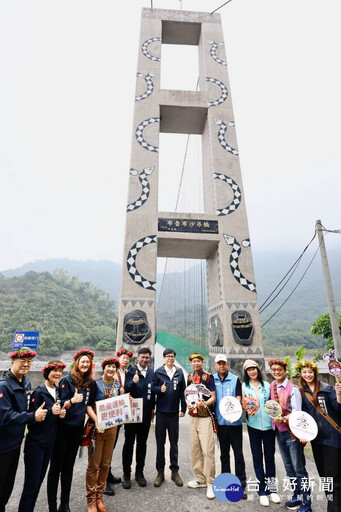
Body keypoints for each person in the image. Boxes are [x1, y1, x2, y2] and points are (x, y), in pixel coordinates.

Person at [47, 349, 96, 512]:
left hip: (77, 430)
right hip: (61, 430)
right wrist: (71, 401)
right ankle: (52, 506)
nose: (85, 364)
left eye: (87, 362)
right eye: (82, 361)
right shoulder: (67, 380)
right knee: (56, 468)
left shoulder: (90, 383)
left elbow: (90, 405)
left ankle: (65, 503)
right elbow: (58, 405)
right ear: (76, 363)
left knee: (68, 467)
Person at [0, 347, 47, 512]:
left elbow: (26, 407)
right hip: (3, 446)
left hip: (16, 443)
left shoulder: (25, 381)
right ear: (12, 361)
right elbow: (6, 417)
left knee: (7, 488)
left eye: (29, 361)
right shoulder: (4, 386)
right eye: (22, 361)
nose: (26, 364)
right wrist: (33, 416)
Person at [18, 360, 67, 512]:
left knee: (38, 483)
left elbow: (53, 415)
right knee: (31, 486)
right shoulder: (39, 392)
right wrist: (51, 412)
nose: (57, 373)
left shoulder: (57, 390)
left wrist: (60, 414)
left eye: (60, 371)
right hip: (36, 445)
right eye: (54, 370)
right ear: (47, 372)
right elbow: (33, 420)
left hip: (49, 444)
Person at [295, 360, 341, 512]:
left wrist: (339, 396)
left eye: (310, 372)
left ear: (314, 373)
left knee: (334, 478)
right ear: (300, 374)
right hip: (316, 440)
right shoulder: (302, 393)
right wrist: (303, 434)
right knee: (325, 478)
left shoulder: (328, 389)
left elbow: (338, 409)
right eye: (304, 372)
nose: (307, 375)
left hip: (333, 439)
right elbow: (303, 417)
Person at [269, 359, 311, 512]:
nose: (276, 372)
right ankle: (297, 496)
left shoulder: (292, 389)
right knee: (288, 467)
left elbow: (298, 413)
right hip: (279, 432)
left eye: (279, 369)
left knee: (299, 468)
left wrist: (284, 418)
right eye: (273, 370)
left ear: (284, 370)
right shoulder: (272, 386)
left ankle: (306, 503)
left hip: (292, 433)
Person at [242, 359, 281, 506]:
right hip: (253, 426)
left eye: (254, 369)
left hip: (269, 426)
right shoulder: (244, 387)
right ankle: (262, 491)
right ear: (246, 372)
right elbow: (243, 404)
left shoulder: (267, 385)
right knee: (257, 457)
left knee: (270, 457)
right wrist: (246, 408)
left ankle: (272, 489)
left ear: (258, 370)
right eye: (249, 370)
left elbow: (273, 404)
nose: (252, 371)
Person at [86, 357, 121, 512]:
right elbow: (88, 406)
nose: (111, 369)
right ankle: (91, 500)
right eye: (109, 366)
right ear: (104, 368)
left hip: (112, 428)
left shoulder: (117, 384)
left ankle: (100, 496)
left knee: (105, 464)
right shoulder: (95, 383)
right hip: (97, 428)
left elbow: (118, 403)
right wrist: (96, 421)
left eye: (114, 367)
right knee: (94, 465)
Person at [213, 354, 247, 499]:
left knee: (238, 453)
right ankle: (226, 482)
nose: (221, 366)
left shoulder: (235, 379)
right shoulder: (211, 379)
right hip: (220, 423)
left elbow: (239, 399)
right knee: (224, 454)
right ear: (215, 365)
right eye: (219, 364)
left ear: (227, 365)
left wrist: (234, 415)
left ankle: (241, 484)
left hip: (234, 423)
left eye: (224, 363)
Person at [122, 346, 155, 489]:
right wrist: (133, 382)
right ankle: (126, 474)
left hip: (146, 414)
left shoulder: (151, 372)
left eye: (147, 357)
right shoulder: (130, 371)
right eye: (142, 357)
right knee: (129, 443)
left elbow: (152, 392)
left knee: (142, 444)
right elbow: (125, 389)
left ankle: (139, 473)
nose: (145, 359)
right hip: (132, 413)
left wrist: (153, 408)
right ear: (138, 357)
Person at [153, 348, 186, 487]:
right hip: (161, 413)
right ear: (164, 358)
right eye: (167, 357)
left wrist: (184, 408)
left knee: (174, 443)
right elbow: (152, 388)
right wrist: (159, 389)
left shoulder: (179, 373)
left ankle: (174, 472)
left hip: (173, 413)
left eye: (172, 356)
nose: (170, 359)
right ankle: (160, 472)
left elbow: (183, 391)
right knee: (160, 444)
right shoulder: (158, 372)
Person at [186, 353, 216, 500]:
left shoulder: (208, 377)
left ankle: (210, 482)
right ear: (191, 364)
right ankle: (200, 478)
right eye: (193, 361)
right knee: (195, 449)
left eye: (198, 361)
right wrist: (188, 404)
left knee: (207, 450)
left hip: (205, 417)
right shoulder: (189, 378)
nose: (196, 364)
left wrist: (204, 403)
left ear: (202, 363)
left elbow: (213, 397)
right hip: (193, 417)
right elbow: (188, 395)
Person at [104, 348, 133, 495]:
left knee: (111, 446)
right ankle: (103, 482)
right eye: (123, 358)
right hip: (109, 415)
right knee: (105, 448)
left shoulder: (125, 373)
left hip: (118, 414)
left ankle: (107, 475)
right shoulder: (112, 374)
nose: (125, 360)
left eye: (127, 358)